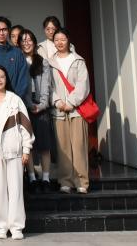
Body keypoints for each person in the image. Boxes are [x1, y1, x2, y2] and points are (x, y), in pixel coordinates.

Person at [0, 66, 33, 240]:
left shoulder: (15, 100)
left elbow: (26, 126)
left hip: (14, 149)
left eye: (1, 76)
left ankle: (17, 227)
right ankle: (0, 226)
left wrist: (26, 149)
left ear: (6, 79)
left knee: (16, 189)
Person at [49, 29, 90, 194]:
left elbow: (83, 84)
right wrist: (57, 101)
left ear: (68, 40)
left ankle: (82, 181)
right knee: (63, 149)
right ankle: (65, 181)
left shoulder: (78, 60)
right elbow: (48, 85)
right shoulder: (50, 62)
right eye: (56, 39)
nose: (59, 42)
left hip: (77, 110)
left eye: (63, 39)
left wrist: (71, 102)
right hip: (58, 111)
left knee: (79, 146)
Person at [18, 29, 55, 192]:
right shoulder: (18, 61)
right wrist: (28, 104)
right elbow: (20, 86)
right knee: (28, 144)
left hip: (41, 105)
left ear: (34, 42)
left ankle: (46, 178)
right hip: (24, 106)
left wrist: (42, 105)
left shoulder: (42, 62)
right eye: (23, 40)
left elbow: (47, 85)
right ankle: (32, 177)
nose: (26, 43)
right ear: (19, 44)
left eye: (29, 40)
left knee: (45, 145)